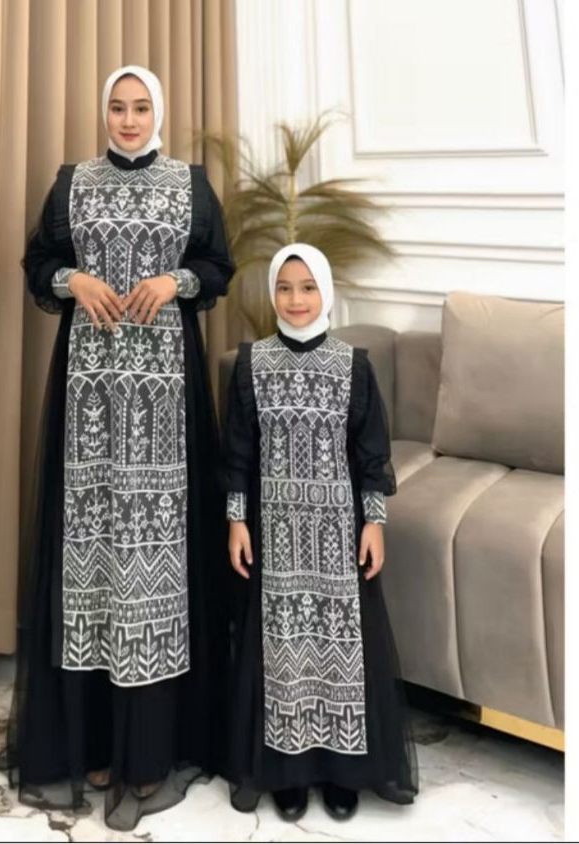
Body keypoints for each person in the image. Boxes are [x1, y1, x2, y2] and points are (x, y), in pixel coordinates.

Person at [0, 65, 234, 832]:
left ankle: (151, 753)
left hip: (165, 401)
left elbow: (218, 267)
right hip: (90, 400)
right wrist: (73, 281)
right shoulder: (74, 184)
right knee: (92, 562)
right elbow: (37, 264)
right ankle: (94, 742)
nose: (129, 119)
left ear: (159, 111)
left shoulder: (191, 185)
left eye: (141, 107)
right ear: (106, 113)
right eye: (118, 108)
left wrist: (174, 284)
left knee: (155, 566)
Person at [222, 243, 418, 822]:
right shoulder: (252, 365)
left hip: (337, 539)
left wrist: (374, 523)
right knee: (282, 653)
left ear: (325, 292)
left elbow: (372, 453)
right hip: (275, 537)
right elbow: (238, 453)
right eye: (284, 287)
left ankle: (341, 772)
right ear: (272, 295)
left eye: (308, 287)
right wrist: (236, 520)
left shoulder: (352, 366)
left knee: (340, 653)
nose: (296, 299)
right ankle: (288, 772)